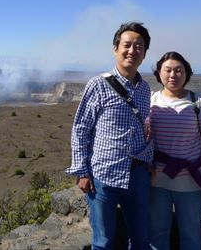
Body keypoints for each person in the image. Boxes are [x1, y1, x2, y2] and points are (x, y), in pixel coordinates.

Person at [66, 21, 153, 250]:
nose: (132, 50)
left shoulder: (145, 89)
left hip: (138, 175)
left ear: (144, 54)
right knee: (103, 241)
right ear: (116, 48)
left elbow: (143, 127)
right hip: (103, 176)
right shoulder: (98, 85)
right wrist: (82, 171)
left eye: (139, 46)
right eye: (127, 45)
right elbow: (80, 129)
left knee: (141, 239)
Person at [148, 51, 201, 250]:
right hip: (156, 182)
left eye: (179, 70)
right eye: (167, 70)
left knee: (191, 237)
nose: (173, 75)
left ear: (187, 73)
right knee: (157, 236)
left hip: (191, 182)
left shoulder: (199, 102)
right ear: (159, 73)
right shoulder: (151, 100)